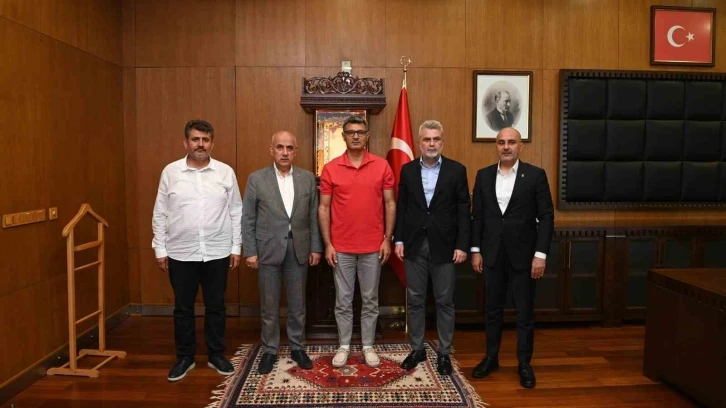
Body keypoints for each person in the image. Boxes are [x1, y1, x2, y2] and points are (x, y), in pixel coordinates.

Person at [152, 119, 242, 382]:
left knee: (216, 306)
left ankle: (216, 355)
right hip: (180, 251)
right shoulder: (170, 172)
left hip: (217, 250)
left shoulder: (225, 172)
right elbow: (160, 212)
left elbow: (236, 211)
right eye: (195, 139)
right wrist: (160, 248)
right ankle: (185, 358)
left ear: (212, 143)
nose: (200, 144)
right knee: (183, 308)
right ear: (186, 143)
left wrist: (236, 246)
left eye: (205, 140)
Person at [470, 127, 554, 388]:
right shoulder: (483, 175)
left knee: (524, 312)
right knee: (492, 310)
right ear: (496, 146)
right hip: (491, 254)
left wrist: (540, 255)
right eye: (501, 142)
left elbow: (547, 217)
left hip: (524, 257)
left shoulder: (536, 175)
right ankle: (491, 358)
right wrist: (476, 250)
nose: (506, 147)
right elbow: (478, 217)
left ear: (521, 146)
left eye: (511, 142)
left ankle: (524, 363)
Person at [318, 115, 396, 368]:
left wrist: (387, 239)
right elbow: (323, 208)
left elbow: (390, 203)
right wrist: (328, 244)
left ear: (367, 135)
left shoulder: (382, 166)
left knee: (370, 299)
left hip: (373, 247)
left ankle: (368, 345)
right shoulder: (331, 168)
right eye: (350, 132)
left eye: (360, 132)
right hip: (341, 247)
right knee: (343, 300)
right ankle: (343, 345)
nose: (355, 136)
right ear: (343, 136)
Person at [241, 131, 322, 375]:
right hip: (267, 250)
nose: (285, 152)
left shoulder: (307, 179)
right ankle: (270, 349)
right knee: (269, 305)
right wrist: (250, 251)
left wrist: (315, 247)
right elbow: (248, 218)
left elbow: (313, 216)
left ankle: (298, 347)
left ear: (296, 151)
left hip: (299, 250)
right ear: (272, 149)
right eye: (280, 147)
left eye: (289, 148)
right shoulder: (257, 179)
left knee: (298, 305)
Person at [394, 120, 470, 375]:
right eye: (427, 139)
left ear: (442, 141)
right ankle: (417, 349)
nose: (431, 144)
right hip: (414, 244)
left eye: (436, 139)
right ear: (419, 143)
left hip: (445, 246)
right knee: (415, 299)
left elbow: (463, 210)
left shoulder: (456, 170)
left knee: (444, 301)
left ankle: (444, 353)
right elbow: (403, 207)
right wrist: (399, 240)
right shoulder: (407, 170)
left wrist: (462, 245)